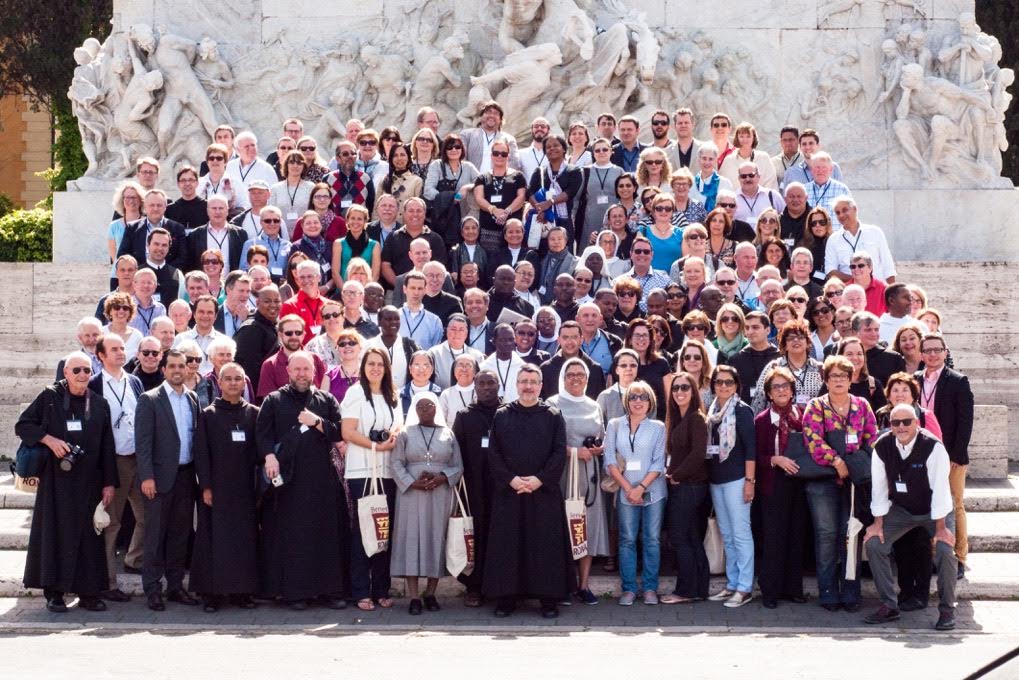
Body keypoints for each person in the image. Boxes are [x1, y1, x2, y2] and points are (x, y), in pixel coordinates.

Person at [16, 352, 117, 613]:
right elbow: (23, 425)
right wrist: (48, 440)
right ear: (66, 373)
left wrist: (109, 482)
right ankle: (55, 594)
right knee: (55, 536)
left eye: (86, 371)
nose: (82, 375)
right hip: (56, 482)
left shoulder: (98, 403)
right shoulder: (50, 398)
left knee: (88, 538)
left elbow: (108, 445)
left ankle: (89, 593)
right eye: (77, 371)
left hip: (89, 481)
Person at [483, 364, 575, 619]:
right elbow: (494, 453)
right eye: (524, 381)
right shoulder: (502, 415)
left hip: (542, 493)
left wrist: (539, 480)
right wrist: (511, 480)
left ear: (541, 385)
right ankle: (506, 598)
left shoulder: (553, 415)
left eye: (533, 381)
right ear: (516, 384)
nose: (528, 386)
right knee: (508, 546)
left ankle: (548, 599)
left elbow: (559, 452)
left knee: (545, 545)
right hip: (510, 493)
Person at [257, 351, 346, 610]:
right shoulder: (274, 400)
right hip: (289, 482)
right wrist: (269, 456)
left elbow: (339, 431)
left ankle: (329, 592)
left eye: (306, 370)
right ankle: (296, 594)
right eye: (296, 369)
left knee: (326, 535)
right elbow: (262, 434)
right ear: (288, 371)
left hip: (322, 480)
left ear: (314, 372)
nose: (301, 374)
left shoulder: (326, 400)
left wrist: (317, 421)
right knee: (294, 538)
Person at [863, 403, 958, 631]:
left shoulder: (933, 447)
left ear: (916, 422)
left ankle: (946, 609)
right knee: (874, 544)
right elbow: (879, 487)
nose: (902, 427)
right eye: (896, 423)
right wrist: (877, 523)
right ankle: (889, 605)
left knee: (945, 551)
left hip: (935, 510)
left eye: (907, 421)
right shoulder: (882, 446)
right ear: (890, 425)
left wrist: (941, 528)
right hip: (902, 509)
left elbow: (941, 490)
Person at [802, 356, 878, 612]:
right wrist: (837, 462)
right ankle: (827, 590)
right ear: (826, 379)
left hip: (855, 482)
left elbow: (871, 438)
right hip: (823, 480)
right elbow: (812, 439)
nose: (838, 381)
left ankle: (851, 590)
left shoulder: (862, 405)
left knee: (851, 535)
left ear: (850, 379)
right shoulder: (816, 405)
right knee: (826, 535)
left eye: (843, 376)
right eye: (833, 376)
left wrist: (855, 464)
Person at [190, 362, 260, 612]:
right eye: (228, 379)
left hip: (244, 489)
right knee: (214, 541)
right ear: (219, 383)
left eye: (237, 379)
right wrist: (206, 486)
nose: (232, 383)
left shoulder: (254, 413)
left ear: (244, 383)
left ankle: (242, 592)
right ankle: (212, 594)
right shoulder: (209, 415)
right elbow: (201, 453)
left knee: (244, 540)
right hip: (216, 489)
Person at [134, 349, 200, 611]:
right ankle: (152, 589)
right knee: (155, 536)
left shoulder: (192, 398)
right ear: (163, 369)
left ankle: (175, 587)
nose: (176, 370)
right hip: (159, 479)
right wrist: (147, 477)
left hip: (185, 476)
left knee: (179, 535)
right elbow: (144, 443)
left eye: (181, 366)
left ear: (187, 369)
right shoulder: (149, 400)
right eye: (171, 365)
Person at [341, 348, 404, 611]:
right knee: (363, 532)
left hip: (387, 472)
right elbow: (347, 432)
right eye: (371, 364)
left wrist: (392, 438)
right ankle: (360, 591)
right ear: (363, 367)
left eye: (380, 364)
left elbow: (398, 428)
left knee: (383, 532)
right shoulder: (355, 393)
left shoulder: (393, 395)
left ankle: (381, 589)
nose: (375, 368)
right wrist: (376, 446)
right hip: (362, 472)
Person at [390, 392, 464, 615]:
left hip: (440, 493)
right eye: (420, 406)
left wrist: (442, 477)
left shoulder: (448, 433)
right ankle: (414, 597)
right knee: (411, 539)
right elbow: (395, 463)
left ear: (437, 409)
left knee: (436, 538)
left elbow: (458, 465)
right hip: (411, 494)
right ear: (414, 409)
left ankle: (431, 593)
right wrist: (413, 483)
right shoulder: (405, 433)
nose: (425, 409)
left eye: (429, 405)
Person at [547, 358, 611, 605]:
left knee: (587, 526)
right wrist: (574, 451)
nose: (575, 378)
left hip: (589, 472)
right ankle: (562, 584)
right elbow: (548, 440)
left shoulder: (594, 405)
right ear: (563, 377)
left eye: (580, 374)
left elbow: (600, 436)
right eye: (570, 374)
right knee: (564, 526)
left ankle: (583, 585)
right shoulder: (553, 403)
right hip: (563, 472)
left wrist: (596, 449)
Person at [89, 335, 144, 602]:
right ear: (100, 355)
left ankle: (134, 559)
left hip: (139, 459)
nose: (121, 352)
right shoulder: (94, 385)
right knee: (112, 523)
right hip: (114, 462)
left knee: (148, 517)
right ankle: (107, 582)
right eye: (114, 349)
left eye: (122, 348)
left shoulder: (134, 381)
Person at [916, 334, 974, 581]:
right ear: (921, 354)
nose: (932, 354)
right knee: (929, 505)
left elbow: (965, 421)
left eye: (937, 350)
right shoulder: (914, 380)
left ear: (945, 352)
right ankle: (931, 556)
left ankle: (958, 558)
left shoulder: (958, 381)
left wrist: (957, 455)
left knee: (953, 504)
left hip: (950, 455)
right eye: (927, 350)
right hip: (921, 454)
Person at [603, 380, 666, 605]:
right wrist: (629, 488)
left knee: (651, 539)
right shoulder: (614, 425)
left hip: (654, 491)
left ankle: (650, 588)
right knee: (627, 539)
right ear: (626, 400)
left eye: (643, 397)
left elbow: (659, 463)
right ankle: (628, 588)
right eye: (633, 397)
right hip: (625, 491)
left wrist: (640, 488)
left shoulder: (658, 427)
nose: (638, 401)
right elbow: (609, 459)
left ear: (651, 402)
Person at [754, 366, 808, 608]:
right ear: (768, 393)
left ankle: (793, 589)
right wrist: (775, 460)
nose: (781, 390)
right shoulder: (762, 420)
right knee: (774, 538)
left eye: (785, 386)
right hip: (773, 483)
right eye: (776, 387)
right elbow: (754, 455)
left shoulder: (805, 414)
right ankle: (771, 592)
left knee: (797, 537)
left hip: (800, 483)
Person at [703, 365, 757, 608]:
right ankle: (733, 583)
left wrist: (749, 481)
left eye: (729, 382)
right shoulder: (711, 410)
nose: (723, 386)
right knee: (727, 535)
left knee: (741, 534)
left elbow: (750, 450)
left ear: (737, 386)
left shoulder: (743, 411)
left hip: (737, 480)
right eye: (719, 382)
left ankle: (745, 587)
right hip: (717, 480)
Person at [451, 369, 501, 607]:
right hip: (474, 487)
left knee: (501, 536)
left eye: (491, 383)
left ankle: (500, 587)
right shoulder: (464, 416)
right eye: (481, 384)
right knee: (476, 535)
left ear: (499, 385)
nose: (486, 387)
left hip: (504, 486)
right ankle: (475, 587)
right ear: (475, 387)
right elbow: (455, 451)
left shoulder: (508, 413)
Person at [662, 371, 710, 603]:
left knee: (680, 538)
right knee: (690, 538)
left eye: (685, 387)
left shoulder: (697, 418)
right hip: (683, 484)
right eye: (676, 388)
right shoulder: (678, 419)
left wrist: (675, 476)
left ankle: (685, 591)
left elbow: (698, 455)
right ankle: (698, 590)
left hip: (689, 486)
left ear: (693, 391)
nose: (679, 392)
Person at [751, 319, 824, 413]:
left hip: (812, 425)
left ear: (808, 342)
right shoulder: (774, 367)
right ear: (784, 345)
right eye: (790, 338)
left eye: (801, 337)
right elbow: (758, 402)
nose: (796, 340)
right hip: (778, 424)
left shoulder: (819, 369)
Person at [473, 138, 528, 254]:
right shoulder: (482, 178)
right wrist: (494, 210)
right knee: (490, 263)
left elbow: (521, 197)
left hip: (512, 231)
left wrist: (507, 212)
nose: (499, 156)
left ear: (508, 156)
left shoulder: (518, 176)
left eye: (503, 154)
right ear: (491, 156)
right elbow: (479, 198)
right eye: (496, 153)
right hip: (489, 230)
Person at [824, 197, 896, 283]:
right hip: (850, 291)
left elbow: (888, 266)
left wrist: (892, 291)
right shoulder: (833, 239)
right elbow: (831, 271)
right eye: (837, 213)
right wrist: (857, 279)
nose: (841, 215)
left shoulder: (875, 232)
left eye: (845, 210)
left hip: (877, 289)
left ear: (855, 209)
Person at [258, 314, 327, 399]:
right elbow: (268, 401)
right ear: (280, 335)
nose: (294, 336)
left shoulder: (315, 359)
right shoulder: (270, 365)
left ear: (303, 335)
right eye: (289, 333)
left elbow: (325, 393)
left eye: (298, 333)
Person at [233, 285, 281, 397]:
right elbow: (249, 372)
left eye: (277, 301)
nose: (273, 305)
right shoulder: (251, 329)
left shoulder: (273, 326)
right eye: (267, 301)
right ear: (258, 303)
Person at [575, 138, 623, 247]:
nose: (601, 152)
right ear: (593, 153)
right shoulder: (585, 171)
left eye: (605, 149)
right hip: (590, 219)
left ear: (611, 151)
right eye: (597, 150)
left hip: (614, 220)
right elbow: (576, 198)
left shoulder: (619, 171)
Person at [727, 311, 780, 404]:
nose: (750, 331)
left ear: (768, 330)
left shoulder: (780, 357)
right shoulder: (736, 360)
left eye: (755, 327)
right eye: (747, 328)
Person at [439, 354, 480, 423]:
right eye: (460, 365)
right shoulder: (446, 394)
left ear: (475, 372)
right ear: (454, 371)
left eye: (468, 365)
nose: (464, 369)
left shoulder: (482, 392)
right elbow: (441, 421)